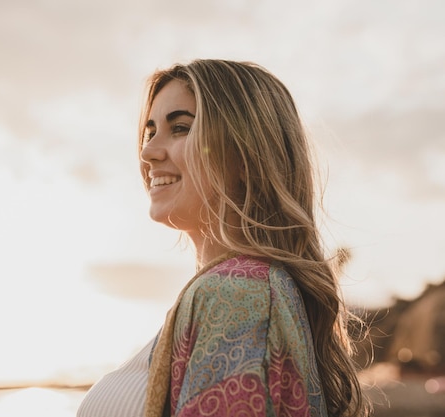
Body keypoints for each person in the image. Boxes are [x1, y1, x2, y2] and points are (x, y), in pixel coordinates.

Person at [77, 59, 369, 417]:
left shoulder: (236, 293)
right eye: (150, 131)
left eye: (180, 128)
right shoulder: (245, 290)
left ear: (245, 155)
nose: (148, 152)